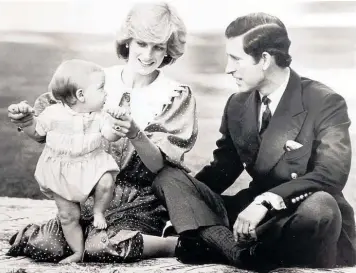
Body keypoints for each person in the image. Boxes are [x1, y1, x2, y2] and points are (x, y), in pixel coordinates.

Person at [152, 12, 356, 269]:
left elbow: (331, 174)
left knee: (321, 207)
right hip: (247, 217)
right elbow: (221, 170)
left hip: (297, 216)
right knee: (169, 178)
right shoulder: (237, 105)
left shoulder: (324, 102)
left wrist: (265, 201)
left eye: (236, 58)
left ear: (265, 60)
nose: (228, 68)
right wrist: (178, 205)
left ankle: (213, 243)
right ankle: (238, 251)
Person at [7, 2, 197, 263]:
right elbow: (47, 131)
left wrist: (135, 134)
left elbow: (159, 167)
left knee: (101, 247)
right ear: (128, 41)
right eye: (142, 43)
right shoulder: (94, 82)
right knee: (45, 245)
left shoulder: (174, 96)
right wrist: (27, 119)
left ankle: (172, 244)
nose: (148, 54)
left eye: (158, 46)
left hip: (139, 200)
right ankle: (82, 235)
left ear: (168, 50)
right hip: (85, 193)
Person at [8, 59, 124, 263]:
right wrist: (25, 120)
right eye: (101, 88)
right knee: (68, 216)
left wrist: (116, 126)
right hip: (61, 170)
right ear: (81, 95)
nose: (106, 93)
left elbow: (109, 135)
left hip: (91, 163)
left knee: (106, 180)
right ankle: (77, 252)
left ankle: (98, 211)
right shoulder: (53, 113)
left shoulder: (100, 115)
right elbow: (36, 130)